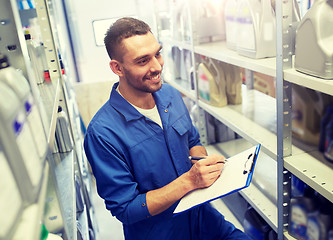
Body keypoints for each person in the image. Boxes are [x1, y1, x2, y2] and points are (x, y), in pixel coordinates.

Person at [84, 17, 250, 240]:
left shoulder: (170, 95)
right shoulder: (103, 133)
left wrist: (202, 164)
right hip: (160, 233)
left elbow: (192, 141)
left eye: (157, 54)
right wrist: (190, 181)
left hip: (202, 218)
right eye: (143, 61)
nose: (157, 66)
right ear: (117, 68)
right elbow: (125, 208)